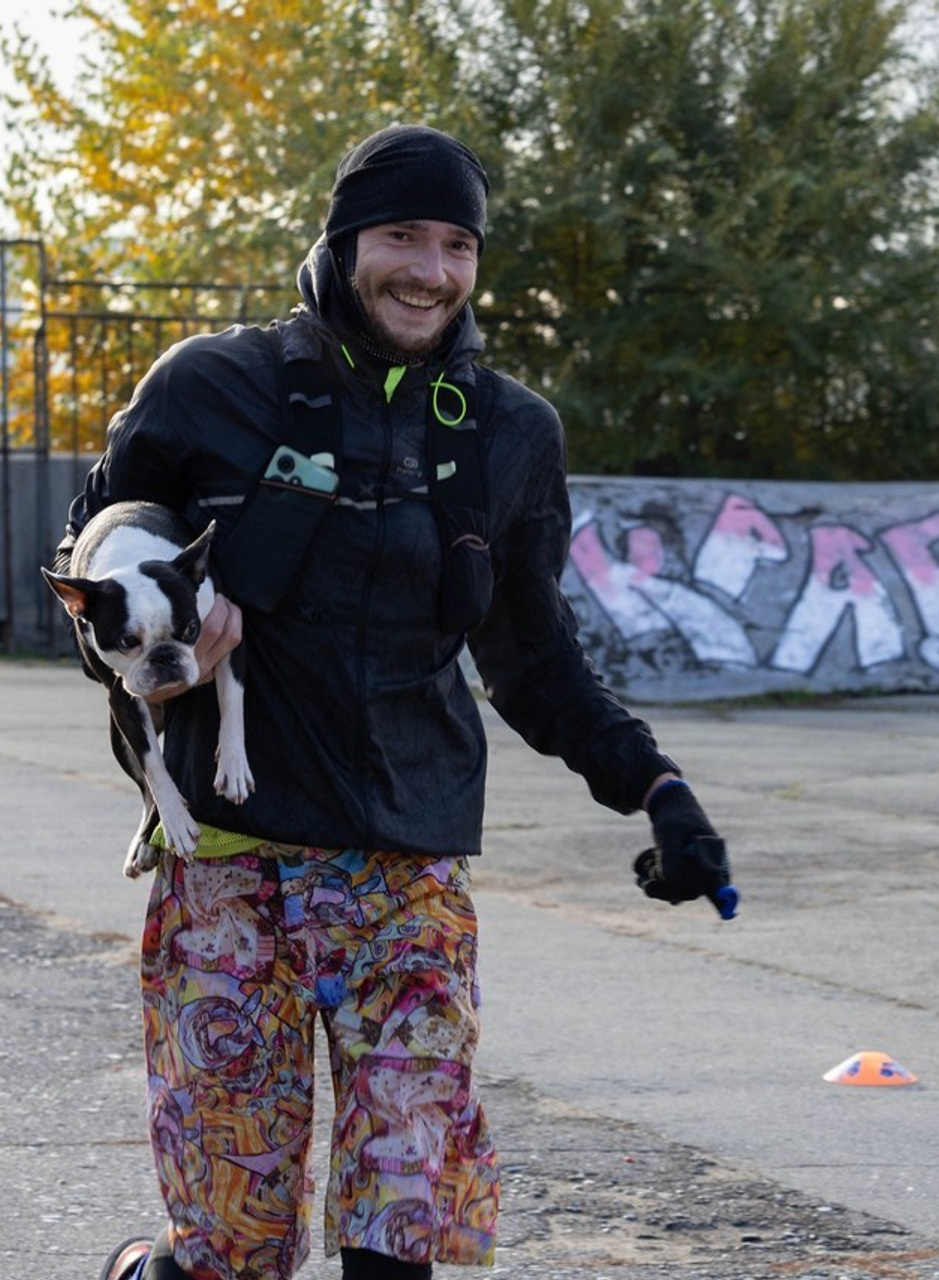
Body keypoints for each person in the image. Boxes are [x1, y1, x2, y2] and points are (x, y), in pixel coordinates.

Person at [70, 125, 734, 1280]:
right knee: (231, 1255)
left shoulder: (509, 432)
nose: (428, 269)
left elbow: (530, 654)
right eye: (400, 237)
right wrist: (159, 614)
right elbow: (93, 561)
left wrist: (654, 784)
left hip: (406, 878)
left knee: (399, 1233)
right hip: (231, 869)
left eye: (456, 244)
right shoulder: (208, 387)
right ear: (343, 241)